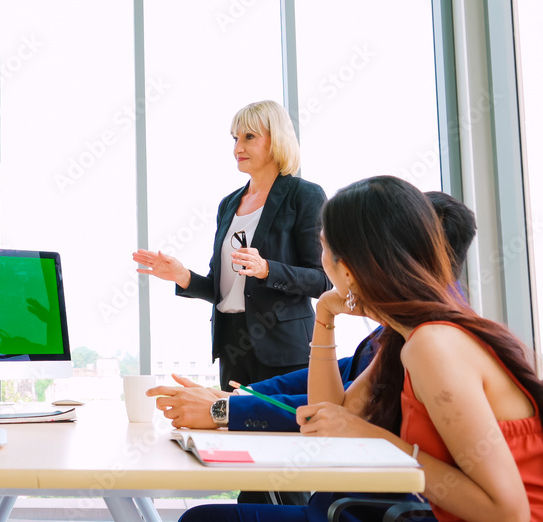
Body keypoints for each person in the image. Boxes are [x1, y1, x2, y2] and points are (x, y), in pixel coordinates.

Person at [180, 176, 543, 522]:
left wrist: (379, 438)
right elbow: (330, 415)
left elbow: (507, 513)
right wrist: (324, 315)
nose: (320, 261)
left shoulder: (433, 344)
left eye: (323, 248)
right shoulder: (405, 338)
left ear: (350, 269)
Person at [133, 100, 331, 391]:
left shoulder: (305, 195)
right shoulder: (229, 204)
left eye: (249, 137)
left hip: (284, 349)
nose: (238, 148)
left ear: (276, 140)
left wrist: (267, 269)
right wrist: (182, 276)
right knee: (233, 430)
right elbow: (221, 287)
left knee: (281, 432)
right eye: (235, 138)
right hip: (232, 345)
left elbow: (322, 280)